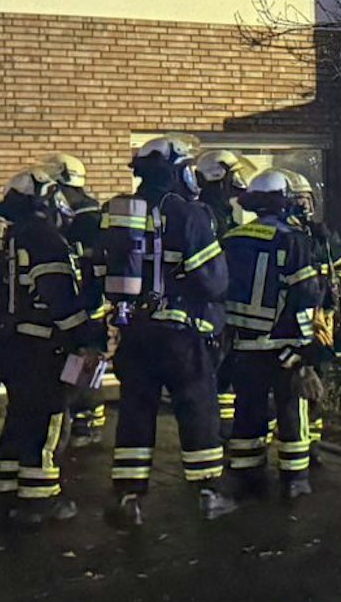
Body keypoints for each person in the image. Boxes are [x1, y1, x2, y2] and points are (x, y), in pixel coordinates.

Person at [105, 137, 237, 526]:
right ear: (177, 170)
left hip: (135, 330)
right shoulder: (188, 214)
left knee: (135, 412)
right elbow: (212, 281)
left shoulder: (115, 213)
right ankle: (208, 492)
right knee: (197, 407)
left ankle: (129, 496)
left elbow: (100, 270)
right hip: (181, 333)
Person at [0, 170, 105, 526]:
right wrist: (84, 338)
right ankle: (40, 500)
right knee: (47, 419)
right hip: (42, 347)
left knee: (19, 417)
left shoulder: (13, 235)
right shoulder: (45, 238)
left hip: (13, 345)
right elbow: (58, 296)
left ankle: (9, 487)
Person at [221, 170, 322, 500]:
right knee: (291, 408)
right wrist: (306, 347)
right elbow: (305, 293)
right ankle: (295, 479)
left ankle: (247, 472)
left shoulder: (232, 237)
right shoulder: (291, 238)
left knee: (248, 408)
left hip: (243, 344)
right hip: (282, 343)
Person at [44, 152, 110, 449]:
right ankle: (85, 421)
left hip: (84, 307)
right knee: (80, 362)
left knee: (81, 361)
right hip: (87, 306)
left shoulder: (84, 222)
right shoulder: (88, 218)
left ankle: (85, 422)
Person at [282, 169, 341, 455]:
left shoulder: (323, 235)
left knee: (317, 380)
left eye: (307, 198)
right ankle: (294, 439)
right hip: (293, 321)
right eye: (298, 198)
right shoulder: (284, 235)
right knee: (291, 381)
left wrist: (339, 285)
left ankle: (313, 441)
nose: (305, 204)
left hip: (322, 321)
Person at [195, 148, 254, 430]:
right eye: (233, 175)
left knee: (226, 366)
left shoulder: (223, 211)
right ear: (219, 177)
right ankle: (215, 428)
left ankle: (222, 428)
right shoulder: (207, 213)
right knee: (216, 368)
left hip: (224, 302)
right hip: (212, 305)